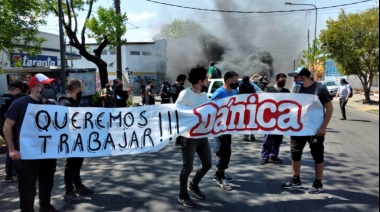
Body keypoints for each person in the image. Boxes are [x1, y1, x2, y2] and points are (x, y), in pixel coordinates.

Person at [3, 73, 58, 212]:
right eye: (46, 85)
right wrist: (12, 149)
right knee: (27, 186)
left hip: (47, 152)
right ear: (35, 87)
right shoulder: (19, 103)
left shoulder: (51, 104)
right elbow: (7, 126)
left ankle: (45, 206)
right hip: (27, 154)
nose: (49, 88)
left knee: (47, 181)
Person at [283, 67, 333, 194]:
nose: (294, 80)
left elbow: (329, 108)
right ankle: (296, 180)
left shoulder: (320, 89)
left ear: (303, 77)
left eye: (296, 77)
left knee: (317, 156)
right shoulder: (296, 89)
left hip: (315, 130)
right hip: (299, 129)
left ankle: (318, 183)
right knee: (295, 154)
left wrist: (323, 127)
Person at [175, 65, 212, 208]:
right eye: (206, 78)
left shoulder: (204, 95)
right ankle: (182, 195)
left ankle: (194, 184)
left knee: (208, 164)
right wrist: (192, 116)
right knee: (187, 167)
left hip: (203, 136)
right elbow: (177, 112)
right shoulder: (185, 94)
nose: (208, 80)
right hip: (189, 137)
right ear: (200, 81)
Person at [59, 79, 94, 203]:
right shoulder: (65, 101)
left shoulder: (74, 99)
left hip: (79, 137)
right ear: (78, 88)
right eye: (81, 86)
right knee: (71, 165)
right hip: (71, 138)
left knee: (78, 163)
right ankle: (69, 191)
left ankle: (78, 186)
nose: (83, 88)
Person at [210, 71, 239, 191]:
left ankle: (220, 174)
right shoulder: (219, 93)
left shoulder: (233, 92)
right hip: (220, 128)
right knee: (223, 151)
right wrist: (219, 127)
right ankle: (219, 177)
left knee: (224, 151)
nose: (237, 83)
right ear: (228, 81)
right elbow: (211, 109)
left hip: (229, 127)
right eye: (235, 81)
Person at [260, 73, 290, 165]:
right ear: (277, 80)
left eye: (284, 80)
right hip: (270, 118)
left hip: (281, 118)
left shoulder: (286, 91)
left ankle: (274, 155)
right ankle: (265, 156)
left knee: (278, 139)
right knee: (268, 138)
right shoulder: (269, 90)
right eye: (282, 80)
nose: (283, 82)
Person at [0, 82, 23, 183]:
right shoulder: (14, 100)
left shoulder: (1, 97)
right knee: (12, 148)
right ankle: (10, 174)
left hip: (1, 126)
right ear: (17, 90)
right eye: (20, 91)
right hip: (8, 127)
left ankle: (12, 173)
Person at [238, 75, 256, 142]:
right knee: (251, 120)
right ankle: (252, 135)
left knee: (245, 121)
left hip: (244, 106)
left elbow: (240, 96)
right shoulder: (251, 86)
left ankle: (246, 136)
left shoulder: (241, 86)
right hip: (252, 105)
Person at [171, 74, 187, 146]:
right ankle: (180, 140)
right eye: (184, 80)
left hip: (173, 107)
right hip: (180, 108)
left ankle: (178, 140)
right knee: (182, 124)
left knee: (177, 124)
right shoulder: (180, 87)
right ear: (182, 80)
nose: (184, 82)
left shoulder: (172, 86)